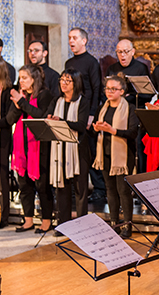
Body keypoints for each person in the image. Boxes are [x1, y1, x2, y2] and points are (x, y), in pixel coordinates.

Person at [90, 75, 139, 238]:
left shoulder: (130, 108)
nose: (109, 92)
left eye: (113, 89)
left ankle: (127, 225)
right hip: (105, 153)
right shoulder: (102, 107)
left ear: (123, 91)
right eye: (107, 88)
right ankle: (114, 223)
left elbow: (133, 132)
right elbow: (93, 129)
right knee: (110, 189)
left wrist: (114, 131)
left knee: (123, 191)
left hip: (123, 155)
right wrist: (96, 128)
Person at [45, 69, 90, 235]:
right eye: (62, 80)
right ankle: (63, 225)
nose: (63, 83)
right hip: (59, 149)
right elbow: (48, 116)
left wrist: (61, 121)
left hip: (78, 150)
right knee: (62, 189)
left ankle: (82, 226)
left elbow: (81, 125)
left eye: (68, 80)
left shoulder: (82, 102)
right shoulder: (57, 101)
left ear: (76, 83)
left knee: (80, 190)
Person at [10, 64, 53, 233]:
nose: (20, 81)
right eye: (20, 78)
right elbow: (10, 119)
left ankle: (46, 220)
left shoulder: (44, 94)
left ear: (34, 79)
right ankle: (28, 220)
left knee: (42, 185)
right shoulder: (22, 96)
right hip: (21, 146)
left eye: (24, 78)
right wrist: (18, 104)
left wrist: (21, 102)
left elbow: (40, 115)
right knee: (24, 185)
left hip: (38, 145)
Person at [65, 27, 105, 202]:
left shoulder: (91, 62)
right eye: (69, 38)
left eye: (74, 38)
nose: (71, 41)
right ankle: (77, 188)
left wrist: (91, 114)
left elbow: (96, 88)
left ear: (84, 41)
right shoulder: (68, 63)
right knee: (76, 151)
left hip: (87, 111)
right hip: (73, 110)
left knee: (90, 150)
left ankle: (99, 189)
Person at [106, 39, 152, 175]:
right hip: (116, 112)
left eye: (126, 52)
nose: (123, 55)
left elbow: (147, 95)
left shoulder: (140, 68)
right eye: (119, 52)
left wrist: (127, 97)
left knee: (137, 147)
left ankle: (138, 177)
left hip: (134, 111)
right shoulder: (112, 69)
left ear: (132, 52)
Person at [0, 60, 15, 229]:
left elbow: (9, 119)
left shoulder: (8, 91)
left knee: (3, 178)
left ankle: (4, 217)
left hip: (3, 136)